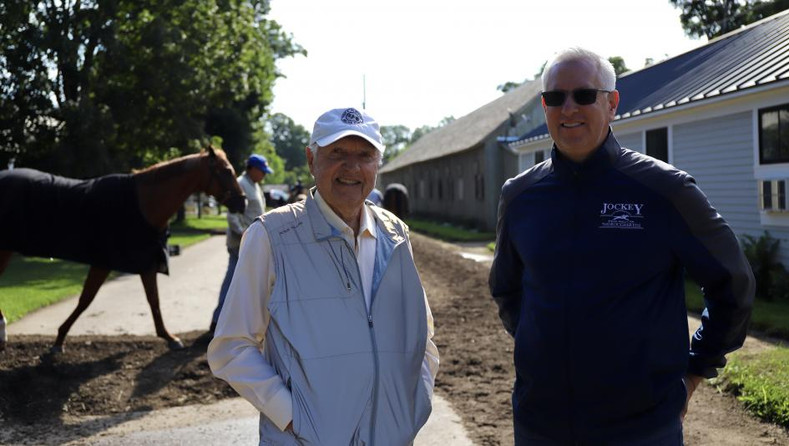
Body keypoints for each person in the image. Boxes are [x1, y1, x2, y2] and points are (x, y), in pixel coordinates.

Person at [489, 47, 755, 445]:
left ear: (611, 103)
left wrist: (695, 370)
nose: (568, 108)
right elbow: (508, 290)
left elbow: (732, 284)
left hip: (640, 428)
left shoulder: (664, 189)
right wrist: (546, 349)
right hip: (540, 423)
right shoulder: (520, 196)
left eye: (583, 95)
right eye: (555, 97)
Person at [208, 107, 439, 445]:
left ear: (378, 164)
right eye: (337, 153)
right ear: (311, 159)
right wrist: (293, 418)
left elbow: (422, 336)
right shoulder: (271, 237)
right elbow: (231, 347)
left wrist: (414, 406)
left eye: (364, 155)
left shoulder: (396, 235)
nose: (352, 167)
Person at [210, 154, 273, 334]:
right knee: (233, 283)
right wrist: (244, 233)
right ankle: (217, 322)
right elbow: (232, 215)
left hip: (252, 243)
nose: (264, 175)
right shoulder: (240, 184)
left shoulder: (254, 185)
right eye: (262, 171)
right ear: (252, 169)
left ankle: (238, 322)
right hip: (240, 244)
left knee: (250, 283)